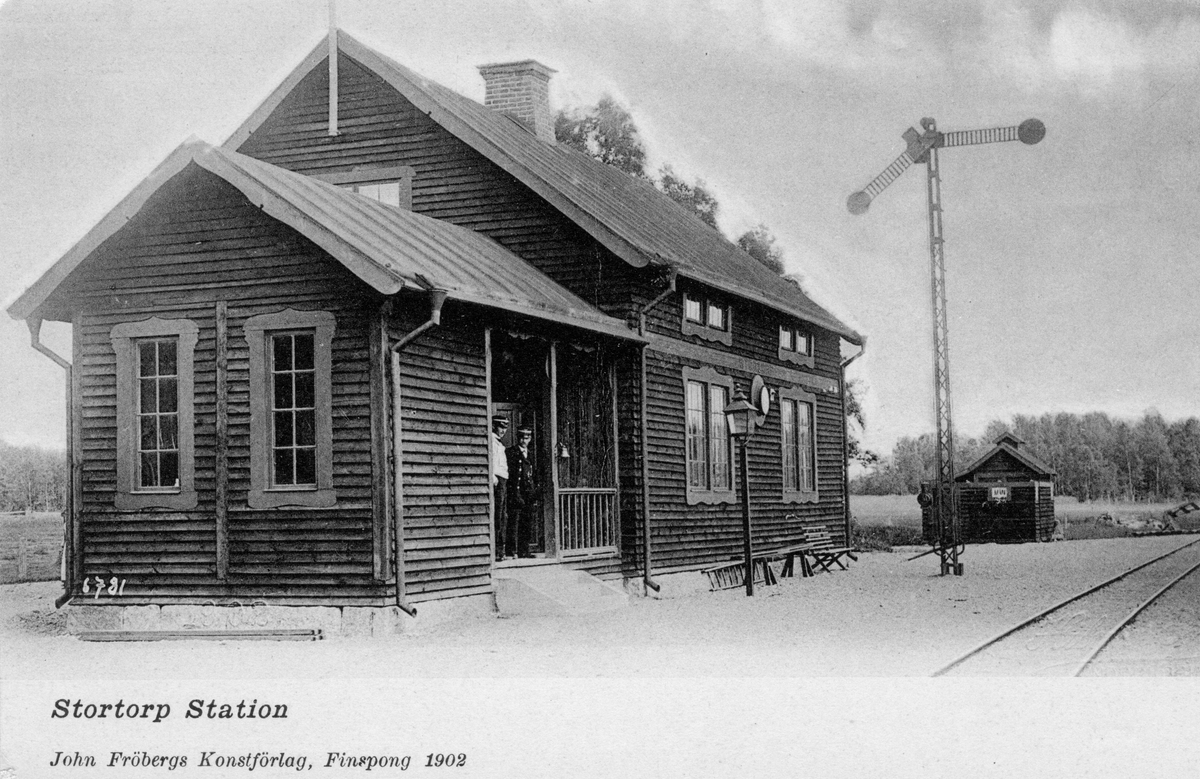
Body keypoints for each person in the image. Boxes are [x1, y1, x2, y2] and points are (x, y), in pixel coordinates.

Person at [505, 426, 538, 558]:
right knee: (514, 523)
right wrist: (514, 492)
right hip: (516, 492)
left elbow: (532, 474)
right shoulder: (511, 452)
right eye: (522, 438)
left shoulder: (530, 454)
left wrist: (534, 492)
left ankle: (524, 550)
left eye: (527, 438)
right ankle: (511, 551)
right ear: (518, 438)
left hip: (528, 493)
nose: (524, 441)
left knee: (526, 523)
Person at [491, 415, 509, 561]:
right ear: (494, 427)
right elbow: (491, 460)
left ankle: (501, 551)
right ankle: (497, 552)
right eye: (500, 427)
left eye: (505, 428)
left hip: (503, 479)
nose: (503, 431)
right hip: (497, 479)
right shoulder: (492, 441)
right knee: (498, 516)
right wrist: (493, 476)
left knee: (503, 516)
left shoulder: (498, 442)